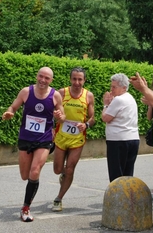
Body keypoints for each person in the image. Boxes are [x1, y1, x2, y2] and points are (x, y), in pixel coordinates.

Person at [2, 67, 65, 222]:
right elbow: (13, 107)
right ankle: (27, 200)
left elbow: (62, 116)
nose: (43, 80)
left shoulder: (55, 95)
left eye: (47, 78)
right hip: (25, 137)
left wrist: (59, 116)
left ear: (51, 80)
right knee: (25, 175)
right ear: (37, 76)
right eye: (40, 76)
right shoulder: (26, 92)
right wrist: (9, 113)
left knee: (35, 171)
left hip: (44, 139)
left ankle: (25, 208)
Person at [52, 67, 95, 212]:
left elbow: (93, 118)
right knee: (58, 170)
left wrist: (86, 124)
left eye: (80, 79)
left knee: (70, 169)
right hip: (61, 137)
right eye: (74, 79)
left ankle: (59, 198)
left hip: (77, 139)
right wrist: (54, 120)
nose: (77, 82)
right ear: (70, 79)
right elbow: (51, 111)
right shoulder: (61, 93)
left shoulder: (88, 96)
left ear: (84, 80)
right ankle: (63, 174)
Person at [101, 73, 139, 183]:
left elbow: (106, 117)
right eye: (111, 86)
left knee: (116, 174)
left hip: (118, 140)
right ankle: (127, 198)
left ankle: (117, 198)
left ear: (124, 87)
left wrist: (106, 105)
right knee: (128, 173)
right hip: (133, 138)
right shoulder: (130, 98)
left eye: (114, 87)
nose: (111, 89)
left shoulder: (119, 100)